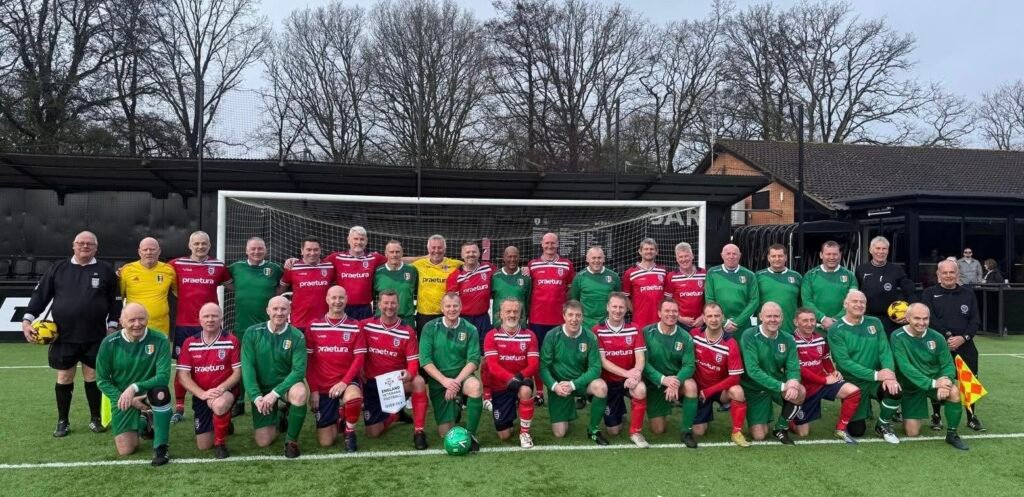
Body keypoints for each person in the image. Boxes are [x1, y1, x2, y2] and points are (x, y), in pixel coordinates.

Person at [22, 231, 121, 437]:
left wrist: (112, 326)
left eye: (90, 244)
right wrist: (27, 320)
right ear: (73, 245)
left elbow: (115, 301)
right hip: (64, 336)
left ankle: (95, 419)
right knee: (64, 376)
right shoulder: (58, 268)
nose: (85, 246)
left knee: (93, 376)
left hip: (95, 336)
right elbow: (40, 296)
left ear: (96, 248)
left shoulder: (105, 270)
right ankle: (63, 421)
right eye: (81, 243)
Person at [94, 303, 172, 465]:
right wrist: (126, 398)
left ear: (147, 319)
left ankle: (161, 447)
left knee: (161, 392)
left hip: (148, 395)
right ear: (122, 322)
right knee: (126, 450)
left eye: (141, 319)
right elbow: (102, 380)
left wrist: (134, 388)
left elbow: (163, 377)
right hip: (122, 398)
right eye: (132, 320)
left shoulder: (160, 340)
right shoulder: (109, 343)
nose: (137, 324)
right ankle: (145, 422)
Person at [169, 230, 230, 423]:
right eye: (196, 243)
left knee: (216, 365)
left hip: (211, 324)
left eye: (204, 243)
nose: (200, 247)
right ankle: (179, 407)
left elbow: (233, 284)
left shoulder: (218, 266)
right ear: (189, 245)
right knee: (182, 366)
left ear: (209, 245)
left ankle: (218, 401)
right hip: (185, 324)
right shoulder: (176, 264)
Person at [890, 303, 969, 450]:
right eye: (917, 318)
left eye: (925, 318)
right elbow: (905, 367)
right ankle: (904, 411)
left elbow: (947, 364)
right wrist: (934, 383)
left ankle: (952, 434)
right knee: (912, 433)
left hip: (935, 381)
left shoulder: (937, 337)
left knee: (954, 391)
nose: (922, 323)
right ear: (907, 318)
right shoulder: (897, 336)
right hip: (912, 386)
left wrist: (946, 380)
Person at [828, 290, 902, 443]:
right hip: (854, 383)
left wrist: (888, 373)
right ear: (845, 304)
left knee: (894, 390)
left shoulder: (875, 322)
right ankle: (863, 407)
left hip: (876, 380)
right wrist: (876, 375)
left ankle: (882, 425)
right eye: (854, 301)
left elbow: (884, 350)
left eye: (862, 302)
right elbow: (844, 362)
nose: (859, 304)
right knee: (857, 431)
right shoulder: (836, 329)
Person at [241, 296, 308, 458]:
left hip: (285, 387)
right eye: (275, 309)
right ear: (267, 311)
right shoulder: (252, 333)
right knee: (264, 441)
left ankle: (291, 442)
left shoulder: (297, 336)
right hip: (262, 390)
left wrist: (275, 394)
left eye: (283, 309)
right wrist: (256, 397)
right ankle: (280, 416)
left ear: (289, 311)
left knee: (300, 393)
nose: (279, 312)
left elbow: (299, 371)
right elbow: (247, 368)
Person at [361, 290, 429, 449]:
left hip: (394, 383)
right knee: (373, 433)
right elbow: (356, 352)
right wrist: (360, 370)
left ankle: (419, 431)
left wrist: (409, 373)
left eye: (393, 303)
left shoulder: (407, 331)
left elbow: (413, 362)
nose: (389, 306)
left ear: (398, 305)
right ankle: (395, 415)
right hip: (371, 383)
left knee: (418, 382)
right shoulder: (365, 326)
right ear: (378, 305)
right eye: (385, 303)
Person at [921, 260, 983, 432]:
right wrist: (947, 338)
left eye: (952, 272)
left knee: (969, 381)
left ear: (957, 274)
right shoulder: (929, 293)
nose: (948, 275)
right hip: (939, 344)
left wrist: (963, 338)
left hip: (965, 344)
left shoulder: (968, 294)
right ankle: (936, 415)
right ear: (938, 275)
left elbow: (975, 321)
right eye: (945, 272)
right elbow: (929, 319)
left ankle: (971, 416)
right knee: (939, 378)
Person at [226, 236, 283, 415]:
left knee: (270, 364)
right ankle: (239, 401)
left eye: (260, 248)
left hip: (269, 328)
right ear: (246, 250)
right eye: (253, 248)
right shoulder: (236, 268)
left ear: (265, 250)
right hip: (242, 327)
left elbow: (283, 286)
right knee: (242, 365)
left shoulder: (274, 269)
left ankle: (274, 400)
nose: (256, 251)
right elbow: (225, 281)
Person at [419, 292, 484, 451]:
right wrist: (445, 381)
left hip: (461, 378)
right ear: (442, 308)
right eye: (448, 306)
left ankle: (471, 435)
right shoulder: (430, 328)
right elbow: (425, 361)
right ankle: (456, 405)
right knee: (446, 434)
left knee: (475, 387)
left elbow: (474, 361)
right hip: (439, 381)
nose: (452, 309)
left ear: (461, 307)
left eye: (455, 306)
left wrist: (455, 382)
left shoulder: (470, 329)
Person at [539, 300, 609, 445]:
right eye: (570, 315)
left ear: (583, 317)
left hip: (579, 384)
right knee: (560, 433)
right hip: (559, 387)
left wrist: (573, 384)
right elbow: (543, 367)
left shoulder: (590, 337)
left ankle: (593, 430)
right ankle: (567, 409)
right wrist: (554, 386)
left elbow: (595, 368)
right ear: (564, 316)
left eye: (578, 315)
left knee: (601, 387)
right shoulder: (552, 336)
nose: (574, 319)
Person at [176, 303, 241, 459]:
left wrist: (221, 389)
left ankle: (220, 444)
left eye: (214, 316)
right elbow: (183, 376)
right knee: (203, 446)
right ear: (199, 320)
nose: (210, 319)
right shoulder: (190, 343)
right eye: (206, 316)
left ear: (221, 319)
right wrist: (202, 394)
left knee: (219, 404)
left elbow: (237, 373)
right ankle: (224, 421)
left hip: (225, 391)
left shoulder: (231, 340)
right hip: (202, 394)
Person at [306, 286, 365, 451]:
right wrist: (314, 390)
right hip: (323, 386)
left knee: (353, 397)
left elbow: (359, 358)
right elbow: (309, 362)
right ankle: (340, 415)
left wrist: (344, 382)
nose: (337, 301)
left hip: (346, 382)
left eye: (341, 298)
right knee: (326, 442)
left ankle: (350, 432)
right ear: (327, 299)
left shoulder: (355, 326)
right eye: (334, 298)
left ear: (346, 300)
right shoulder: (314, 326)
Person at [791, 308, 861, 444]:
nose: (809, 324)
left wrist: (832, 371)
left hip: (823, 383)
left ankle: (841, 429)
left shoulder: (820, 338)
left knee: (853, 391)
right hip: (805, 389)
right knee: (803, 433)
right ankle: (791, 419)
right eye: (805, 320)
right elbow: (799, 369)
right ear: (796, 322)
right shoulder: (791, 341)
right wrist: (824, 379)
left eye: (812, 320)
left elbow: (825, 358)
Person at [740, 302, 805, 445]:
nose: (773, 319)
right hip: (755, 388)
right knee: (759, 435)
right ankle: (763, 414)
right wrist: (782, 386)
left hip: (777, 383)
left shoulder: (788, 338)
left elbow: (793, 367)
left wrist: (793, 382)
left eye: (776, 316)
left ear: (782, 318)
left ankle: (781, 427)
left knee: (800, 392)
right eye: (769, 316)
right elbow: (753, 371)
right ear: (760, 317)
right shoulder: (749, 335)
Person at [593, 292, 649, 447]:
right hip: (609, 383)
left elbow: (640, 358)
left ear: (626, 309)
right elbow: (603, 362)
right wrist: (627, 373)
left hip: (628, 380)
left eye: (621, 307)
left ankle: (636, 432)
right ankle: (620, 411)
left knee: (641, 389)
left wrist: (635, 374)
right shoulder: (598, 330)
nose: (617, 310)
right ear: (607, 307)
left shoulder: (635, 329)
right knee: (613, 431)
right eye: (614, 307)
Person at [642, 299, 699, 448]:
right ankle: (660, 406)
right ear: (659, 313)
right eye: (667, 311)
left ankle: (686, 432)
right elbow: (643, 364)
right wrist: (663, 379)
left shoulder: (685, 336)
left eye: (674, 311)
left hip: (676, 383)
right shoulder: (646, 332)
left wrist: (675, 382)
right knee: (658, 430)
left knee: (691, 385)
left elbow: (689, 365)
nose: (671, 314)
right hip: (655, 384)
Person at [483, 298, 540, 448]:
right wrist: (509, 379)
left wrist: (518, 378)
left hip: (521, 380)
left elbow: (534, 365)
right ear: (500, 314)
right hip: (500, 385)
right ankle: (513, 407)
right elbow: (492, 366)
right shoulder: (491, 336)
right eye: (508, 311)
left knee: (525, 390)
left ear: (521, 314)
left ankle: (525, 433)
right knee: (504, 435)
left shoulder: (530, 335)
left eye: (516, 311)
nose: (512, 315)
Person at [691, 303, 749, 447]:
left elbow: (735, 378)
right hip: (699, 390)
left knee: (737, 391)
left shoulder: (730, 343)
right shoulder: (694, 335)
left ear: (723, 317)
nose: (714, 319)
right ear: (704, 318)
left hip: (720, 390)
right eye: (710, 316)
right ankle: (705, 416)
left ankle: (736, 432)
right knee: (698, 432)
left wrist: (709, 391)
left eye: (717, 316)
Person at [528, 232, 575, 405]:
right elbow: (528, 290)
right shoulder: (532, 265)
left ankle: (562, 388)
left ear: (558, 244)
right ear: (542, 244)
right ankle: (540, 392)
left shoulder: (567, 265)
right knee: (538, 357)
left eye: (553, 243)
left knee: (560, 357)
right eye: (547, 243)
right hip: (537, 319)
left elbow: (570, 290)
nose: (550, 246)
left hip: (559, 320)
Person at [854, 236, 914, 334]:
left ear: (888, 251)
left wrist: (911, 311)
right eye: (878, 248)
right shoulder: (861, 269)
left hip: (891, 319)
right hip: (867, 318)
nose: (881, 252)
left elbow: (909, 290)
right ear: (870, 250)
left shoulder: (896, 269)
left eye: (884, 249)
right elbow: (855, 292)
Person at [325, 226, 386, 320]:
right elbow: (319, 265)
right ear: (348, 240)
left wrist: (412, 260)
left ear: (366, 241)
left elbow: (394, 260)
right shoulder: (336, 258)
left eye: (362, 239)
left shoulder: (374, 258)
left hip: (365, 308)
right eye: (355, 239)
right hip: (342, 307)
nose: (359, 242)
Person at [118, 237, 176, 335]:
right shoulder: (126, 270)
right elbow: (119, 297)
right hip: (135, 326)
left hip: (160, 326)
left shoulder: (169, 270)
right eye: (145, 250)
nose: (149, 252)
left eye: (152, 249)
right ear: (139, 252)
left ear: (159, 251)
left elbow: (179, 292)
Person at [278, 236, 335, 332]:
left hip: (324, 322)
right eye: (308, 250)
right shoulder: (292, 267)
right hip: (299, 322)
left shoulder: (330, 267)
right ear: (302, 251)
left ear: (320, 250)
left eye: (316, 250)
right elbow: (281, 290)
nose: (312, 253)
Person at [802, 241, 857, 335]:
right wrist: (822, 318)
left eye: (835, 254)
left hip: (842, 328)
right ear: (821, 255)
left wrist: (836, 319)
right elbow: (806, 301)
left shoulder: (850, 276)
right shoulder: (810, 275)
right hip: (816, 329)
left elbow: (853, 301)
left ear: (840, 255)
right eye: (828, 254)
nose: (832, 257)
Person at [704, 243, 759, 337]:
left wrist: (738, 322)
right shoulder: (712, 273)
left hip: (743, 325)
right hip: (718, 324)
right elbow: (710, 299)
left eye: (734, 254)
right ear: (722, 255)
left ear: (739, 255)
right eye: (728, 253)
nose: (731, 256)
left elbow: (754, 301)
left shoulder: (749, 275)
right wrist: (724, 322)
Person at [411, 235, 463, 332]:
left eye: (440, 247)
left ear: (445, 249)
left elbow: (470, 265)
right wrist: (423, 257)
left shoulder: (455, 264)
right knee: (425, 341)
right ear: (428, 249)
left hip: (446, 313)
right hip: (424, 315)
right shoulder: (419, 264)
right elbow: (399, 260)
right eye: (433, 248)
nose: (436, 250)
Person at [446, 240, 494, 341]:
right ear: (462, 255)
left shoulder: (489, 268)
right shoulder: (455, 276)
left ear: (479, 253)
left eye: (474, 251)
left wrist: (524, 270)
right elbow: (451, 301)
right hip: (464, 319)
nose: (471, 254)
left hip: (483, 318)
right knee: (463, 346)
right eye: (467, 252)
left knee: (483, 347)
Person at [569, 245, 620, 333]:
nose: (596, 261)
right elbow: (574, 302)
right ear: (587, 259)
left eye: (599, 258)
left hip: (607, 324)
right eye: (593, 258)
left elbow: (618, 300)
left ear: (604, 259)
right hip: (585, 324)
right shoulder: (579, 277)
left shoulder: (614, 276)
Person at [621, 238, 667, 329]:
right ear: (640, 251)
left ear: (656, 251)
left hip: (660, 320)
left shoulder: (663, 271)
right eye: (646, 249)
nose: (649, 251)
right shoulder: (630, 273)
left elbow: (667, 296)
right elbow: (625, 296)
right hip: (640, 321)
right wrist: (635, 311)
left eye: (651, 249)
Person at [756, 243, 802, 334]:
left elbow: (802, 304)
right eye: (773, 256)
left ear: (786, 257)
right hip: (765, 331)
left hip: (790, 329)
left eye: (780, 256)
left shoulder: (796, 276)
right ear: (768, 258)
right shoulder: (758, 276)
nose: (777, 259)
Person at [373, 240, 418, 327]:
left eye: (397, 252)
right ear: (386, 254)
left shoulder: (412, 270)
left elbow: (417, 292)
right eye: (391, 252)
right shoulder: (378, 272)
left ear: (402, 253)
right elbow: (373, 295)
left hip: (406, 319)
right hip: (383, 319)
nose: (394, 255)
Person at [664, 242, 706, 329]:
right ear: (677, 259)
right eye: (681, 257)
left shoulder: (703, 274)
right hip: (680, 323)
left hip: (700, 322)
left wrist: (703, 316)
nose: (684, 259)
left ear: (692, 256)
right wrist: (679, 318)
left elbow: (709, 298)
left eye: (686, 256)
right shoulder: (671, 276)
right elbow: (668, 302)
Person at [491, 245, 531, 326]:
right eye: (509, 257)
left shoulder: (526, 278)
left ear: (519, 258)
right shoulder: (495, 277)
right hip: (499, 324)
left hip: (519, 324)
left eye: (515, 256)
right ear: (504, 258)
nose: (512, 259)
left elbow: (528, 302)